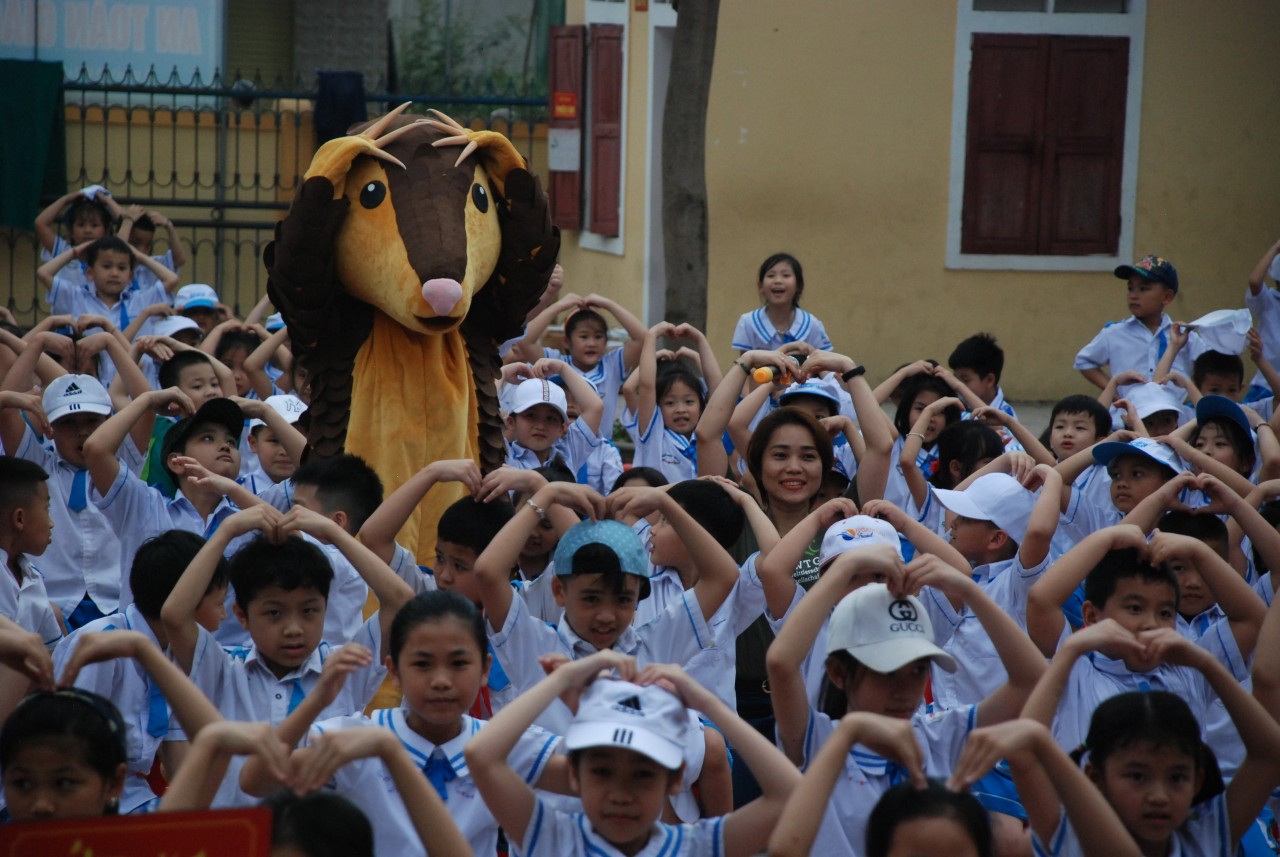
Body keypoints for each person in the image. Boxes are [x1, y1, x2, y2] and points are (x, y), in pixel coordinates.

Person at [765, 545, 1046, 857]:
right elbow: (780, 664)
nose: (904, 689)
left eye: (917, 670)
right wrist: (848, 565)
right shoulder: (818, 741)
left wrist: (971, 591)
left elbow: (1031, 679)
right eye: (886, 672)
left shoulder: (940, 736)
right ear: (838, 673)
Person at [241, 590, 568, 857]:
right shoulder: (360, 740)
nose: (441, 681)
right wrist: (318, 701)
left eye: (458, 663)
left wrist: (580, 692)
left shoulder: (497, 746)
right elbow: (256, 781)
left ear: (484, 669)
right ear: (393, 671)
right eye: (422, 664)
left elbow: (592, 780)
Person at [158, 503, 413, 807]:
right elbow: (174, 615)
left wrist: (333, 533)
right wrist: (226, 531)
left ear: (325, 608)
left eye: (309, 611)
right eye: (274, 613)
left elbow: (400, 600)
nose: (294, 629)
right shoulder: (224, 669)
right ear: (241, 615)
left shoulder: (344, 667)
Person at [465, 650, 802, 857]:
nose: (620, 794)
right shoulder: (553, 837)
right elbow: (481, 755)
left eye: (642, 774)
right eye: (602, 771)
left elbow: (791, 793)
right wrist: (563, 679)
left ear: (674, 778)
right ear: (574, 773)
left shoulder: (694, 847)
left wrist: (705, 701)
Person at [1020, 630, 1280, 856]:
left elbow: (1270, 755)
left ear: (1197, 781)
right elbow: (1023, 755)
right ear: (1095, 777)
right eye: (1137, 776)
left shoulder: (1205, 838)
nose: (1159, 797)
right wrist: (1069, 651)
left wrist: (1207, 664)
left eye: (1177, 777)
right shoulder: (1070, 839)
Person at [51, 531, 229, 814]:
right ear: (187, 603)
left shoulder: (178, 656)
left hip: (130, 793)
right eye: (220, 603)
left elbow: (180, 760)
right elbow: (65, 741)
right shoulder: (103, 643)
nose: (224, 615)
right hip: (81, 796)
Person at [1, 331, 154, 627]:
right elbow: (6, 411)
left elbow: (145, 406)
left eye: (92, 421)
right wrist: (36, 343)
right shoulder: (36, 464)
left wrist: (111, 342)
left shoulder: (121, 466)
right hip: (51, 607)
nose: (82, 432)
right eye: (68, 423)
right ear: (50, 427)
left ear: (110, 422)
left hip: (115, 607)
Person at [7, 622, 230, 822]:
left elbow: (219, 744)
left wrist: (143, 650)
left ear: (114, 784)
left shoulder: (139, 836)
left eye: (64, 783)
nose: (41, 805)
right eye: (22, 784)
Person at [84, 394, 259, 608]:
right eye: (207, 438)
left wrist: (231, 488)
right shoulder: (144, 504)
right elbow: (95, 449)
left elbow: (290, 534)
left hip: (225, 642)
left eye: (231, 441)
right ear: (177, 462)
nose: (225, 446)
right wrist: (147, 401)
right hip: (150, 641)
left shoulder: (246, 514)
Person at [511, 288, 648, 433]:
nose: (591, 343)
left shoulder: (612, 366)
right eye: (584, 336)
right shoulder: (555, 364)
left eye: (598, 336)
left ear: (606, 341)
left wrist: (608, 304)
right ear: (566, 341)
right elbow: (525, 342)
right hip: (559, 448)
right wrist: (559, 306)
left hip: (600, 452)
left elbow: (644, 339)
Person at [1075, 255, 1205, 389]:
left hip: (1172, 408)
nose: (1133, 295)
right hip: (1127, 409)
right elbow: (1084, 361)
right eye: (1130, 288)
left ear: (1166, 297)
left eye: (1143, 288)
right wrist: (1114, 394)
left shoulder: (1184, 336)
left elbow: (1213, 366)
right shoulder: (1114, 333)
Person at [634, 322, 715, 483]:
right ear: (658, 406)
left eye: (689, 401)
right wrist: (652, 336)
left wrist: (700, 340)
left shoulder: (706, 436)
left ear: (701, 407)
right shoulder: (654, 435)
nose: (680, 409)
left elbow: (717, 387)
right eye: (670, 403)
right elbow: (646, 385)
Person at [0, 457, 61, 650]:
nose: (51, 523)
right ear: (19, 518)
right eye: (46, 509)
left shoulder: (32, 577)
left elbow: (52, 653)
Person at [503, 368, 604, 476]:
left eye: (551, 418)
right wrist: (502, 373)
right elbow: (483, 412)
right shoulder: (503, 454)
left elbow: (595, 407)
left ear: (562, 428)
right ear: (511, 422)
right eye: (531, 415)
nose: (541, 426)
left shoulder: (568, 453)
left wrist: (562, 368)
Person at [731, 252, 832, 354]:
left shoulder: (812, 324)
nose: (778, 281)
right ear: (760, 286)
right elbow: (744, 366)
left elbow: (826, 366)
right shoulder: (748, 322)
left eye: (786, 275)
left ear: (799, 285)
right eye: (771, 275)